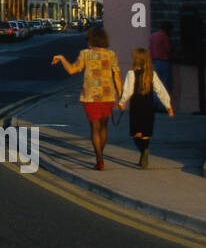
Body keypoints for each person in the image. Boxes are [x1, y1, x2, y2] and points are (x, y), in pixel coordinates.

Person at [52, 27, 122, 171]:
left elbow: (72, 70)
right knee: (104, 127)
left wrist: (62, 58)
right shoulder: (111, 54)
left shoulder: (85, 54)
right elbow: (117, 77)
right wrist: (121, 97)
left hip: (90, 97)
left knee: (95, 129)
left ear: (91, 40)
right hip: (108, 95)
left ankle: (99, 160)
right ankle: (100, 154)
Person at [118, 48, 173, 168]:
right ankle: (146, 149)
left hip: (136, 106)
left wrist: (122, 102)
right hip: (148, 106)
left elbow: (128, 90)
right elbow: (160, 90)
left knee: (136, 133)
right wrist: (168, 106)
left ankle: (143, 151)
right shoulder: (152, 74)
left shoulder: (131, 73)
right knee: (146, 132)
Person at [149, 22, 173, 90]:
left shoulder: (153, 36)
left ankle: (156, 99)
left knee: (156, 82)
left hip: (155, 61)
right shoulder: (164, 36)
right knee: (164, 82)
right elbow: (168, 49)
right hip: (163, 61)